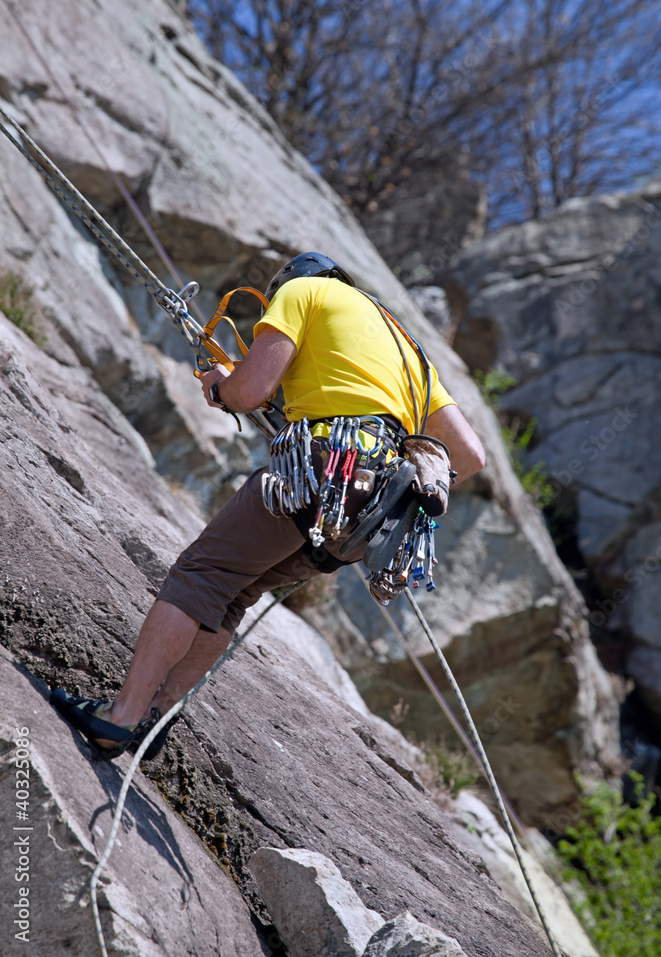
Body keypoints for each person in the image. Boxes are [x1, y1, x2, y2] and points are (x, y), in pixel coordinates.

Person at [51, 252, 485, 758]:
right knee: (231, 596)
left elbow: (250, 391)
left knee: (201, 575)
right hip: (369, 513)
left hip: (322, 470)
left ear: (289, 284)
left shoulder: (305, 294)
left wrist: (221, 386)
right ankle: (152, 720)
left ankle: (121, 717)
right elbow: (470, 457)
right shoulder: (408, 350)